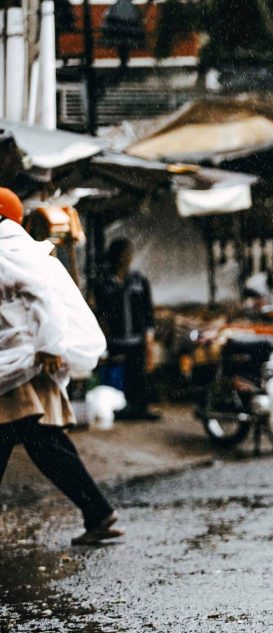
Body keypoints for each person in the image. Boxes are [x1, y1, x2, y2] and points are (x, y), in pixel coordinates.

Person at [0, 187, 124, 545]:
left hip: (22, 365)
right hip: (23, 363)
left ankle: (99, 513)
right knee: (42, 443)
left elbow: (43, 296)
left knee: (43, 442)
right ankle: (99, 513)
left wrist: (49, 345)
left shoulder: (7, 250)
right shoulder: (19, 248)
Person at [92, 238, 159, 420]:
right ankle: (120, 408)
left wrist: (149, 334)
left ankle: (139, 409)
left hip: (137, 338)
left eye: (130, 254)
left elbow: (148, 311)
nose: (128, 257)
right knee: (116, 377)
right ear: (116, 256)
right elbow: (98, 313)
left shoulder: (139, 281)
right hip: (114, 340)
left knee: (138, 375)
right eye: (125, 254)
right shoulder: (103, 284)